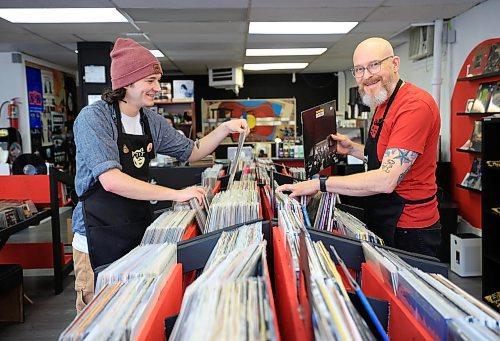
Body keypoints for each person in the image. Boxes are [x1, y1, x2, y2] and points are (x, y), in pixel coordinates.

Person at [71, 38, 248, 313]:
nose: (157, 87)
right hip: (96, 237)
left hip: (137, 231)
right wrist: (176, 194)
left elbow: (193, 151)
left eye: (158, 80)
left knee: (134, 313)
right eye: (150, 80)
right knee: (100, 316)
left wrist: (225, 129)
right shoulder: (93, 118)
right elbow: (111, 180)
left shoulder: (149, 120)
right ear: (127, 82)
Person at [277, 37, 441, 258]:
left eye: (374, 64)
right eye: (359, 69)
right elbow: (386, 156)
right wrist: (353, 148)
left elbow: (386, 179)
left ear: (395, 63)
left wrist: (320, 184)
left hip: (410, 229)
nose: (366, 76)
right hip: (383, 217)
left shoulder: (414, 106)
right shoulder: (382, 103)